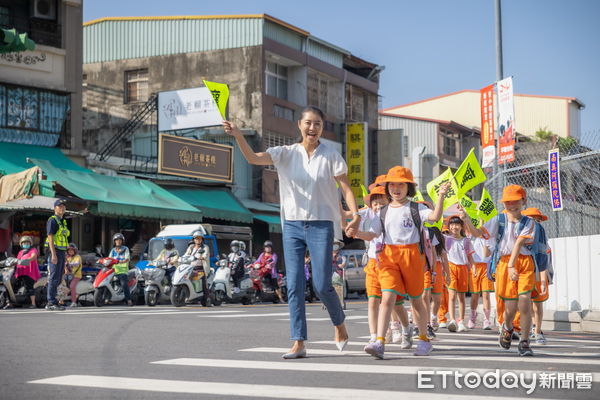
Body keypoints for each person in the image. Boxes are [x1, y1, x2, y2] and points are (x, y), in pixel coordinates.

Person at [224, 106, 360, 359]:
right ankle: (298, 342)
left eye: (317, 124)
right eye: (308, 123)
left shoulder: (331, 155)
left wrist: (355, 215)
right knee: (295, 285)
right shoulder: (285, 154)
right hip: (293, 225)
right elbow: (253, 158)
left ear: (322, 128)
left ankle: (339, 325)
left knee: (321, 284)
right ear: (299, 124)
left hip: (322, 224)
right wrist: (238, 135)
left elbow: (346, 188)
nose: (312, 128)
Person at [353, 166, 450, 357]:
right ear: (387, 187)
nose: (396, 189)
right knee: (387, 297)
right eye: (392, 185)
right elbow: (373, 234)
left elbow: (434, 217)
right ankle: (379, 341)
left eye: (401, 185)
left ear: (409, 187)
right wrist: (356, 233)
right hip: (388, 256)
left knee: (416, 300)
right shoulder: (383, 211)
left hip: (412, 256)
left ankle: (423, 339)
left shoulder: (416, 208)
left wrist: (440, 197)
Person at [461, 184, 546, 356]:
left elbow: (520, 243)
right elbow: (478, 234)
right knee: (510, 308)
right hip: (504, 263)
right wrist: (466, 220)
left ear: (524, 201)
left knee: (525, 303)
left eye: (515, 201)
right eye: (508, 202)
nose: (511, 205)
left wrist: (512, 265)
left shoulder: (530, 223)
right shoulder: (498, 220)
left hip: (523, 263)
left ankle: (524, 342)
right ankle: (507, 327)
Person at [522, 207, 552, 345]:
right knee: (526, 304)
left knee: (537, 304)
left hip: (539, 274)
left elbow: (544, 261)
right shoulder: (520, 234)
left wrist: (544, 280)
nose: (536, 222)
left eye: (538, 220)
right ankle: (531, 328)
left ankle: (538, 331)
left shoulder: (541, 235)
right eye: (532, 219)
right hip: (525, 273)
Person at [444, 215, 475, 333]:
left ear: (461, 226)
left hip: (462, 268)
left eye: (457, 224)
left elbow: (470, 256)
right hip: (451, 267)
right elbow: (443, 254)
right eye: (452, 224)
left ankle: (461, 321)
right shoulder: (447, 239)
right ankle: (452, 320)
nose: (454, 227)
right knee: (451, 295)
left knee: (461, 297)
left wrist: (474, 267)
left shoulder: (466, 241)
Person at [44, 199, 70, 311]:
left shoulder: (63, 222)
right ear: (55, 208)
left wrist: (64, 257)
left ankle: (54, 300)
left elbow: (63, 240)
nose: (62, 208)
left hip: (61, 252)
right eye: (59, 206)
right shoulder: (53, 220)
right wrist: (53, 254)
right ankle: (50, 302)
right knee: (54, 277)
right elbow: (50, 237)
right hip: (53, 251)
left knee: (59, 278)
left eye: (63, 206)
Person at [4, 236, 41, 309]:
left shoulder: (33, 250)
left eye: (27, 242)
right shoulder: (20, 252)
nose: (25, 244)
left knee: (29, 286)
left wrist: (28, 259)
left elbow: (34, 256)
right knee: (10, 284)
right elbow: (17, 261)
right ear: (21, 244)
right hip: (20, 272)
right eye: (24, 243)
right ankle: (10, 302)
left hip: (29, 272)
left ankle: (33, 304)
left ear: (30, 243)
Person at [468, 236, 495, 330]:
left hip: (486, 267)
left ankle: (486, 320)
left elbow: (487, 254)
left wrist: (486, 242)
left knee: (486, 295)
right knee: (475, 295)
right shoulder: (471, 237)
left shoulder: (490, 239)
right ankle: (472, 317)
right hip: (475, 266)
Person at [184, 230, 211, 306]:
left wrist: (201, 257)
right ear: (193, 240)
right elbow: (186, 255)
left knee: (203, 283)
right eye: (196, 238)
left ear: (202, 239)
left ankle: (207, 299)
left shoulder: (205, 247)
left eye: (199, 238)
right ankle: (188, 296)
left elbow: (205, 255)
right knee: (185, 279)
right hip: (190, 268)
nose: (198, 240)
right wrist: (182, 258)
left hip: (201, 268)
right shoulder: (191, 247)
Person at [109, 233, 133, 306]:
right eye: (116, 240)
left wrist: (123, 261)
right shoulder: (113, 250)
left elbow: (127, 258)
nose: (118, 242)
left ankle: (128, 299)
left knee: (124, 284)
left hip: (122, 270)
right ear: (114, 242)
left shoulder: (125, 249)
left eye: (120, 240)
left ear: (122, 241)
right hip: (113, 271)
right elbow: (109, 259)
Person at [65, 243, 83, 308]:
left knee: (72, 286)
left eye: (72, 250)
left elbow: (76, 263)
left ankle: (74, 302)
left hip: (76, 275)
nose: (70, 251)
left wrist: (69, 264)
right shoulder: (67, 257)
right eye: (69, 250)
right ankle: (61, 300)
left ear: (75, 251)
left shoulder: (78, 257)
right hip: (67, 275)